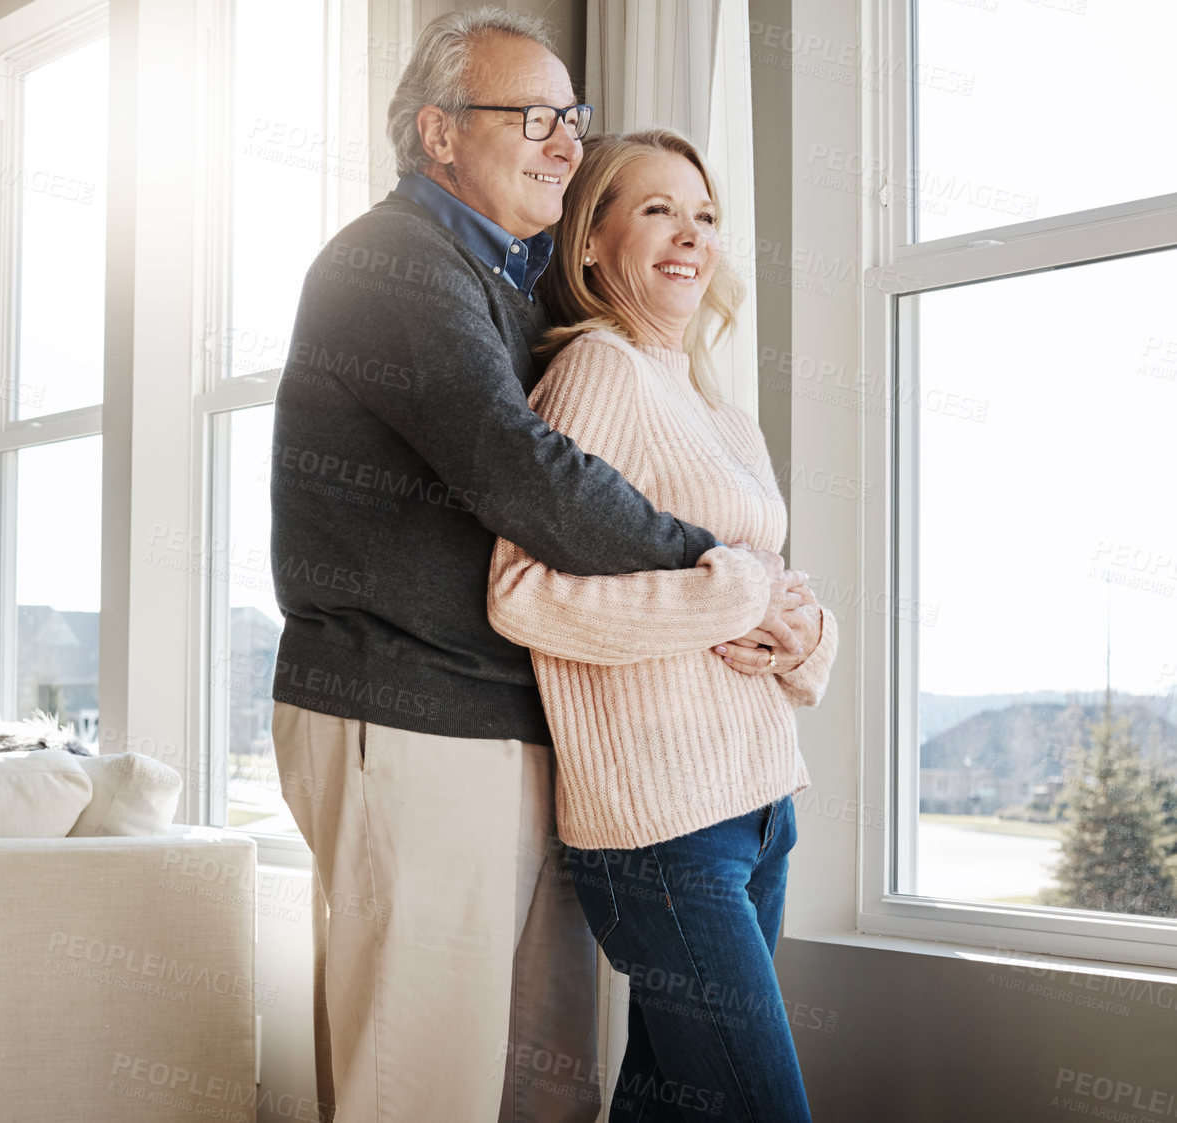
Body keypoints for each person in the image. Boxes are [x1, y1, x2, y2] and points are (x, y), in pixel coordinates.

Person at [267, 10, 807, 1121]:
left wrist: (766, 600)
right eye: (533, 116)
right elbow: (522, 472)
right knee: (420, 1081)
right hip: (404, 710)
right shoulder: (393, 261)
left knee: (537, 1083)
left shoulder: (503, 292)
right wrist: (723, 574)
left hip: (509, 729)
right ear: (438, 134)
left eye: (573, 117)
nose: (564, 141)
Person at [486, 128, 838, 1122]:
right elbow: (522, 593)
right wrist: (729, 596)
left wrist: (806, 641)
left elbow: (771, 582)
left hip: (762, 809)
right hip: (662, 829)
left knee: (669, 1107)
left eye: (703, 215)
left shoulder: (719, 413)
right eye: (655, 210)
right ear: (590, 243)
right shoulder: (596, 372)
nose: (688, 235)